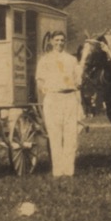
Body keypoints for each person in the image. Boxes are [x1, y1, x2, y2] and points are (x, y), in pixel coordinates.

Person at [35, 31, 82, 177]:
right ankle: (58, 172)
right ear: (51, 42)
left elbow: (78, 80)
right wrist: (45, 90)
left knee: (71, 136)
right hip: (53, 99)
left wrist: (78, 82)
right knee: (55, 136)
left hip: (69, 98)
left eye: (62, 40)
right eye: (57, 40)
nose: (59, 43)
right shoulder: (45, 60)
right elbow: (39, 80)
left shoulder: (72, 60)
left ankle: (68, 172)